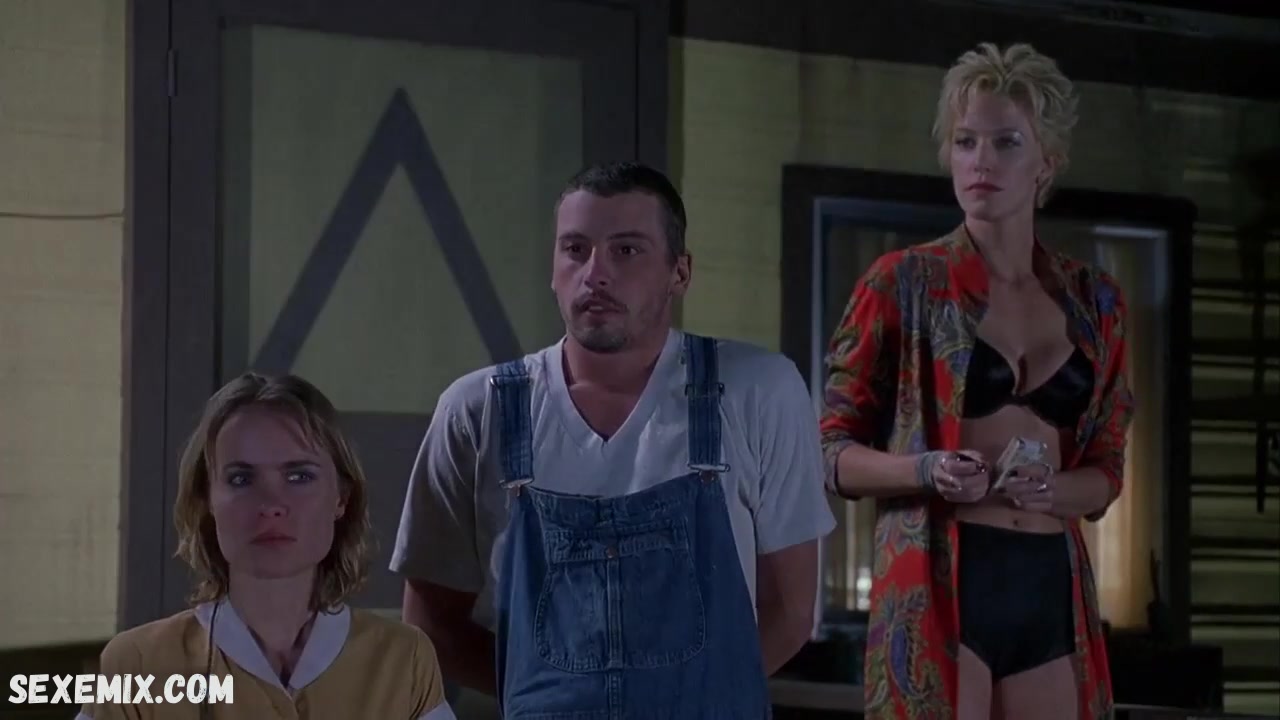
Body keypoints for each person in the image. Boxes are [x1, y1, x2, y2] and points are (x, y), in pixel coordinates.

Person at [391, 161, 836, 718]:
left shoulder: (757, 390)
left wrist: (699, 701)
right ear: (553, 269)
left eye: (626, 250)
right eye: (575, 250)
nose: (595, 274)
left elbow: (790, 612)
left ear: (680, 272)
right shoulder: (477, 410)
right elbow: (431, 624)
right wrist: (549, 704)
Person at [819, 43, 1134, 720]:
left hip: (1049, 585)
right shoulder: (902, 283)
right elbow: (830, 453)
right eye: (965, 142)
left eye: (1005, 142)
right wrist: (925, 468)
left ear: (1046, 162)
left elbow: (1107, 471)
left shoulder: (1097, 302)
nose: (980, 161)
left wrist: (1052, 489)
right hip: (943, 581)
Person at [78, 373, 456, 720]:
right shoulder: (137, 664)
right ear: (208, 500)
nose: (271, 504)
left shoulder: (403, 660)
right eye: (241, 479)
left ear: (341, 497)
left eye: (299, 476)